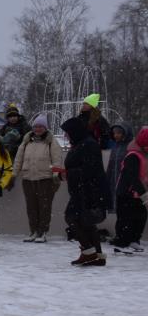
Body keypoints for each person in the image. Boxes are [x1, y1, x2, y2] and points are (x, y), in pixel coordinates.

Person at [61, 111, 111, 266]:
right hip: (83, 190)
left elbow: (89, 170)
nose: (66, 136)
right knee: (86, 222)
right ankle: (97, 255)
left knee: (72, 218)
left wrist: (68, 173)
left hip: (88, 191)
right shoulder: (82, 143)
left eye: (68, 133)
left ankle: (89, 252)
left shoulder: (88, 144)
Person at [12, 114, 63, 242]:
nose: (38, 129)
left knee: (44, 207)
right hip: (28, 178)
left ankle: (43, 232)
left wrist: (56, 175)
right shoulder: (26, 141)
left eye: (41, 126)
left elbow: (57, 160)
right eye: (35, 126)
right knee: (31, 207)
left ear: (45, 128)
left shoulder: (51, 142)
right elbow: (18, 159)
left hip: (45, 178)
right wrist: (14, 174)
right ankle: (33, 231)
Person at [110, 128, 148, 254]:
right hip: (126, 192)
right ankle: (122, 242)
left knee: (140, 217)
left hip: (137, 193)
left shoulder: (143, 155)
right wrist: (144, 193)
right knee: (125, 219)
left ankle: (134, 240)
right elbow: (131, 177)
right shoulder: (133, 156)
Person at [105, 124, 130, 212]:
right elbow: (111, 165)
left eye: (119, 133)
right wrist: (107, 180)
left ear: (125, 133)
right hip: (114, 181)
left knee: (125, 209)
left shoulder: (129, 147)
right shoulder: (115, 147)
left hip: (126, 183)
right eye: (114, 133)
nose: (116, 135)